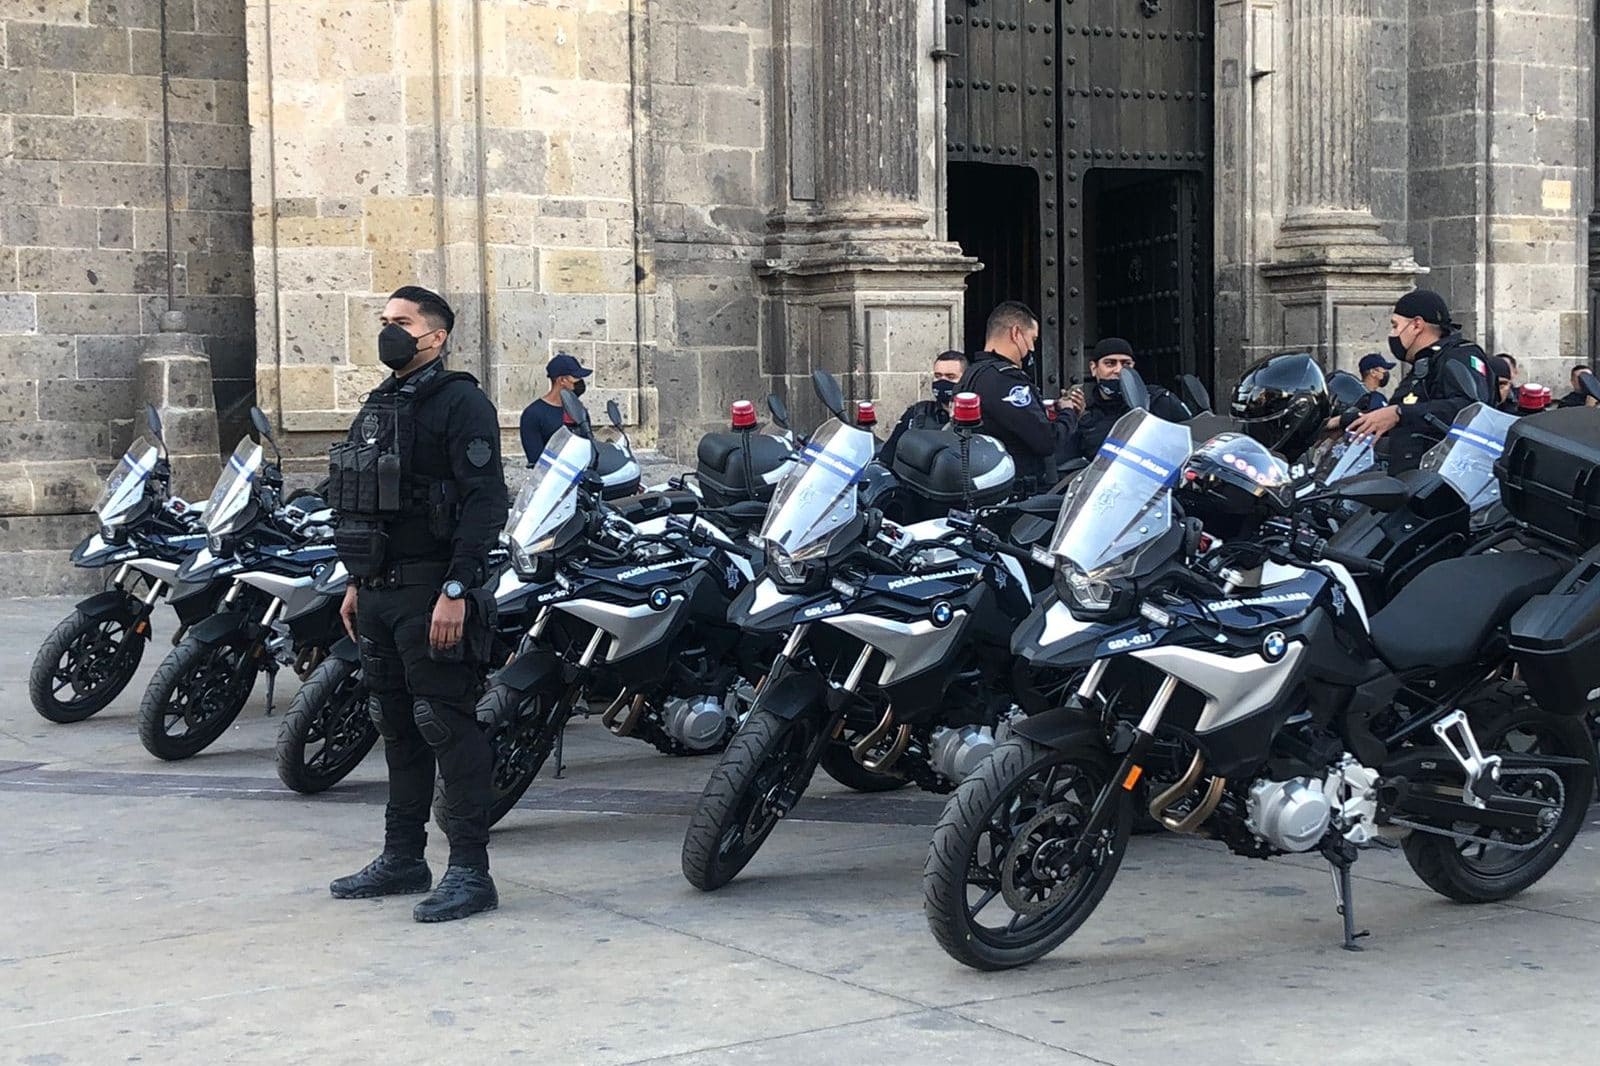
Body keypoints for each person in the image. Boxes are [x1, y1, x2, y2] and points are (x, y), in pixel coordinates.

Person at [325, 286, 509, 922]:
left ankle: (470, 872)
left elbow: (485, 501)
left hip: (431, 591)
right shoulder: (381, 402)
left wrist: (458, 588)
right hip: (377, 591)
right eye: (384, 322)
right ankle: (403, 856)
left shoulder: (461, 402)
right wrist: (355, 579)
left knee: (445, 724)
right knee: (396, 727)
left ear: (435, 336)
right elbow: (365, 497)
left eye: (400, 323)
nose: (388, 332)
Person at [1347, 289, 1492, 472]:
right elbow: (1395, 417)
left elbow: (1472, 409)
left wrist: (1400, 413)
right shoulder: (1425, 364)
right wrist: (1346, 422)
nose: (1393, 334)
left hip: (1443, 483)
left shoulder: (1458, 356)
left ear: (1416, 325)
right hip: (1409, 479)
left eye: (1395, 326)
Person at [956, 302, 1055, 490]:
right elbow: (1045, 441)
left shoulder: (972, 373)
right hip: (1013, 492)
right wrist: (1069, 414)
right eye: (1032, 339)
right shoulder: (1006, 380)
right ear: (1016, 333)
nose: (1032, 349)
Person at [1056, 337, 1190, 463]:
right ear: (1093, 368)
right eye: (1110, 364)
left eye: (1126, 364)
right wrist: (1073, 417)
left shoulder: (1158, 400)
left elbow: (1192, 438)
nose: (1119, 370)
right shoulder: (1086, 416)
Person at [879, 350, 967, 468]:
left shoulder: (976, 417)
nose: (942, 381)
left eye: (950, 377)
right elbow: (888, 454)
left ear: (965, 380)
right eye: (938, 376)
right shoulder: (918, 412)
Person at [520, 353, 592, 465]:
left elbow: (589, 445)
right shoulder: (533, 414)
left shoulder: (579, 411)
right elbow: (536, 460)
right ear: (562, 380)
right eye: (576, 377)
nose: (580, 382)